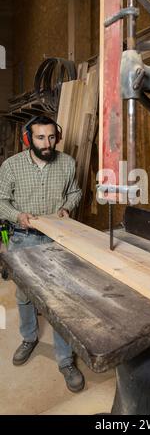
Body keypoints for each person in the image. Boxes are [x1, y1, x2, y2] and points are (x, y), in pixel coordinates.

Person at [0, 115, 85, 393]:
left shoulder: (68, 163)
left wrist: (67, 209)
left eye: (51, 137)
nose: (46, 144)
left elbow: (75, 192)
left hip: (59, 239)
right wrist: (17, 215)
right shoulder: (11, 166)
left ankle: (65, 359)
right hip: (23, 238)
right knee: (25, 295)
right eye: (40, 138)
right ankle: (29, 338)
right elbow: (1, 201)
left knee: (61, 299)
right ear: (28, 139)